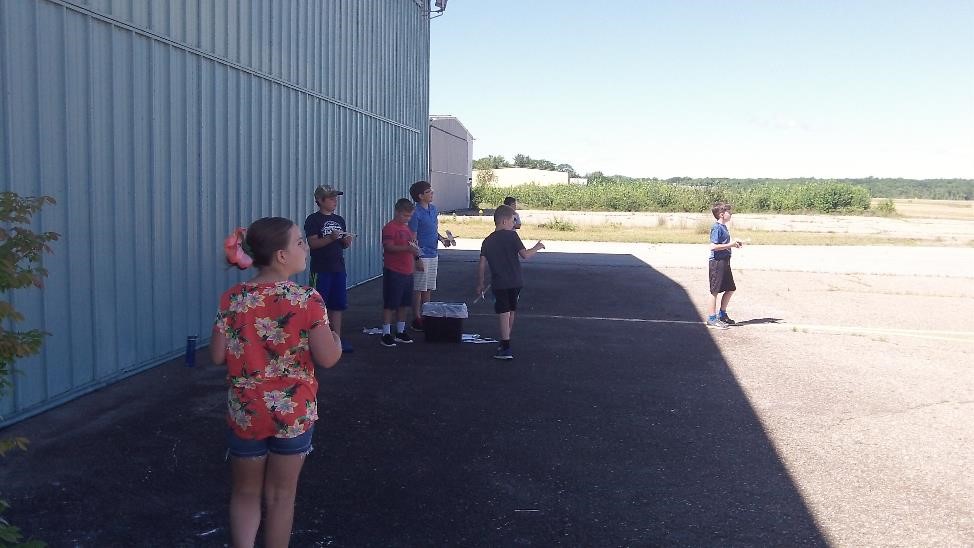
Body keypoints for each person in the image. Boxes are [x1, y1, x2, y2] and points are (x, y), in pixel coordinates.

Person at [211, 217, 342, 548]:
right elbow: (328, 358)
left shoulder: (232, 298)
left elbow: (216, 355)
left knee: (245, 493)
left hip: (246, 411)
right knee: (281, 497)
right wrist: (337, 341)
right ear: (281, 256)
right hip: (292, 414)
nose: (305, 248)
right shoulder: (307, 299)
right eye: (299, 242)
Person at [476, 204, 545, 360]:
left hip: (499, 283)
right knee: (511, 310)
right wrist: (537, 246)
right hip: (516, 282)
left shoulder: (487, 241)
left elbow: (482, 264)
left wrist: (480, 283)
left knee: (503, 312)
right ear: (504, 221)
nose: (514, 223)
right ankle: (505, 340)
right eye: (513, 220)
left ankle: (505, 345)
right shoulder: (513, 236)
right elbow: (525, 255)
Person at [304, 184, 355, 353]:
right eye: (331, 198)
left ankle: (336, 339)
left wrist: (346, 242)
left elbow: (342, 244)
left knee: (337, 305)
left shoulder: (339, 220)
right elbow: (313, 243)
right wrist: (330, 238)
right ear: (320, 200)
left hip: (338, 268)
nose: (335, 201)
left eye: (335, 198)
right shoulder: (313, 220)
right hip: (320, 269)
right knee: (319, 305)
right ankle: (318, 341)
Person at [407, 180, 453, 332]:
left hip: (433, 253)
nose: (432, 193)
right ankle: (416, 318)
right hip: (422, 254)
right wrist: (417, 257)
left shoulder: (433, 209)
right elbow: (412, 237)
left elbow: (433, 229)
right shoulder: (415, 213)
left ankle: (426, 315)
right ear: (420, 196)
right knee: (418, 288)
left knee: (428, 288)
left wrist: (442, 239)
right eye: (428, 192)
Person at [381, 198, 421, 347]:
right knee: (390, 304)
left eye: (409, 216)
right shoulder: (390, 228)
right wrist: (407, 248)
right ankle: (386, 333)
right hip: (394, 271)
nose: (407, 219)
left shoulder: (407, 229)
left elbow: (412, 246)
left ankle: (400, 331)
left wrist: (416, 256)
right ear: (397, 212)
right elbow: (388, 247)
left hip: (407, 271)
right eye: (405, 215)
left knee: (404, 303)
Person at [706, 202, 743, 330]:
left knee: (731, 288)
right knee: (714, 291)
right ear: (721, 214)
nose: (730, 213)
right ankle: (712, 319)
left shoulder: (723, 227)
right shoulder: (716, 227)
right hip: (717, 262)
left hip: (725, 261)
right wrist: (730, 245)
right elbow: (713, 246)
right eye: (728, 211)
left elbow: (724, 244)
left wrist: (734, 244)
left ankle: (722, 315)